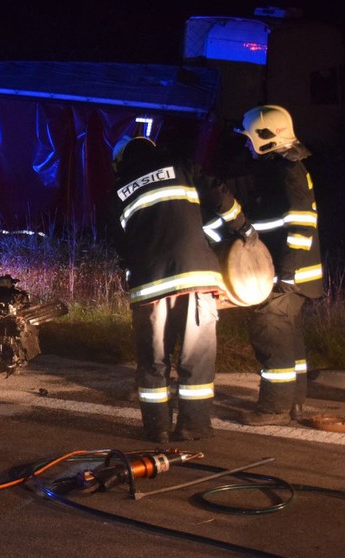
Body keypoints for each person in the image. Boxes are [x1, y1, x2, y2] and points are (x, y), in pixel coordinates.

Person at [109, 135, 246, 443]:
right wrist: (243, 227)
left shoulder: (117, 192)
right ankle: (193, 426)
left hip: (149, 286)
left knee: (153, 359)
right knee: (197, 356)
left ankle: (156, 429)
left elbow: (120, 244)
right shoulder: (180, 166)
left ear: (120, 164)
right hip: (195, 277)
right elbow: (218, 195)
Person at [226, 105, 325, 426]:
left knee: (270, 335)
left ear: (265, 137)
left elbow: (301, 223)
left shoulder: (286, 170)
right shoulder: (285, 168)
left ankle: (274, 408)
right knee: (289, 339)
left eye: (249, 138)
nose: (246, 144)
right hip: (295, 275)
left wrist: (284, 273)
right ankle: (294, 403)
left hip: (286, 275)